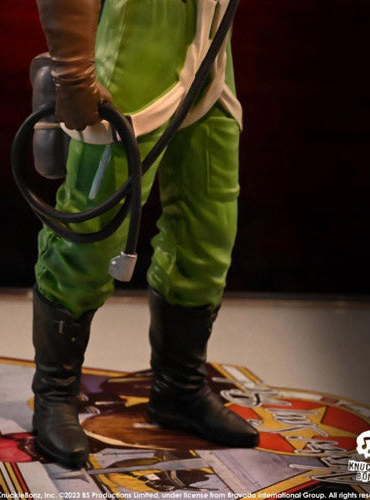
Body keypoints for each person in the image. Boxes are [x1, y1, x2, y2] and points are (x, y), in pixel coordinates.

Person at [31, 0, 259, 469]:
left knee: (207, 231)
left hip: (212, 54)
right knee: (93, 238)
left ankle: (179, 387)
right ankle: (55, 394)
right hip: (133, 55)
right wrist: (73, 73)